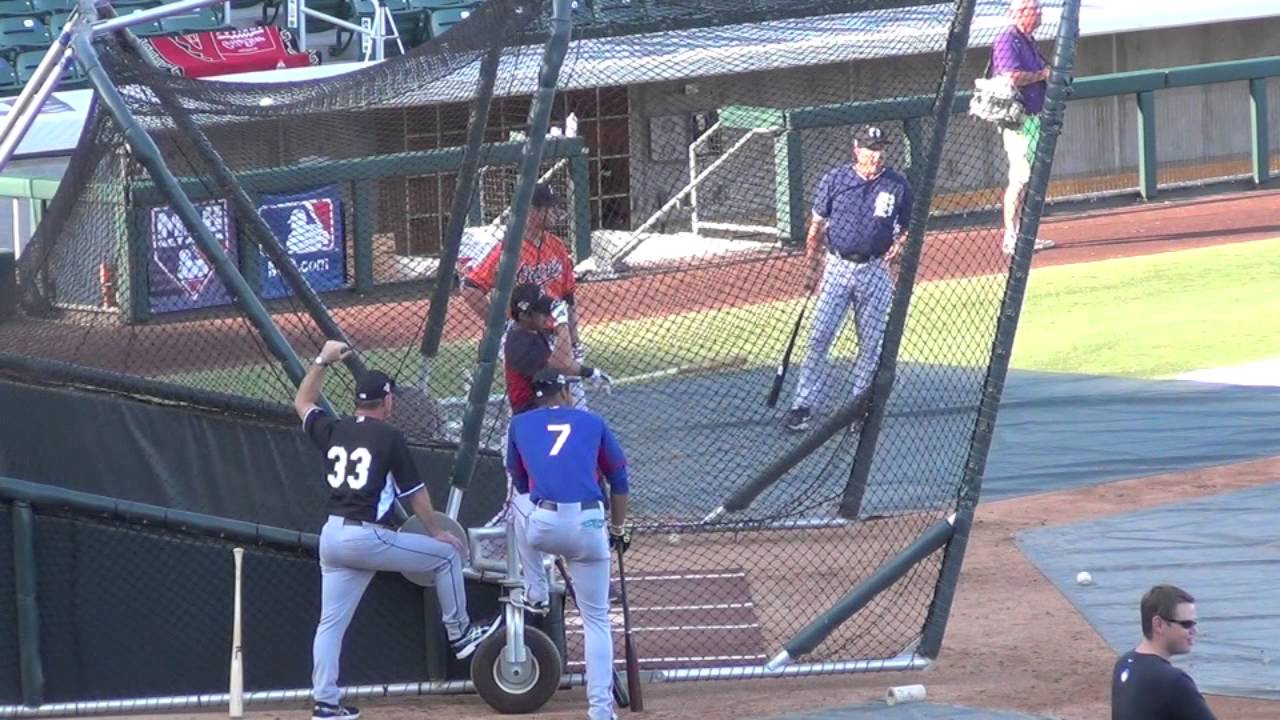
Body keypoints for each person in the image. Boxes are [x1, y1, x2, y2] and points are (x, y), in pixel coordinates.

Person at [296, 341, 501, 720]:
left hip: (332, 537)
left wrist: (321, 360)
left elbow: (303, 402)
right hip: (365, 537)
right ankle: (460, 634)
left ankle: (325, 703)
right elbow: (415, 492)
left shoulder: (334, 428)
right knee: (446, 555)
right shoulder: (388, 437)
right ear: (386, 401)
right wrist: (435, 530)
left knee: (330, 625)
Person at [506, 368, 631, 720]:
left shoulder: (519, 425)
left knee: (516, 507)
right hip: (591, 525)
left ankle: (537, 589)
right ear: (564, 393)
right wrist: (618, 529)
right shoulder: (592, 421)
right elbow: (620, 480)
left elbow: (520, 482)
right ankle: (601, 712)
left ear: (536, 395)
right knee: (596, 620)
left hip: (543, 524)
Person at [784, 124, 913, 433]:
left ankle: (860, 408)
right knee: (819, 338)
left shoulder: (898, 185)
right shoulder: (835, 180)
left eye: (881, 149)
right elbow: (816, 229)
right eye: (871, 149)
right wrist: (812, 270)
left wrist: (898, 247)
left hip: (876, 270)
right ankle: (803, 405)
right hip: (837, 267)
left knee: (872, 344)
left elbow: (908, 228)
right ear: (857, 149)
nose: (877, 155)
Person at [502, 283, 612, 614]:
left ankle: (582, 577)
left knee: (537, 505)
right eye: (542, 310)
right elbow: (561, 363)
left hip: (545, 425)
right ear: (524, 314)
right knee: (520, 507)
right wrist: (563, 323)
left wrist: (590, 371)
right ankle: (535, 585)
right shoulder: (519, 340)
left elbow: (561, 367)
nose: (548, 313)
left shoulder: (529, 332)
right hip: (530, 430)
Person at [460, 182, 589, 408]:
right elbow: (471, 288)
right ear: (532, 211)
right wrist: (503, 324)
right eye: (549, 207)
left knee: (572, 403)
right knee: (534, 400)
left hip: (556, 333)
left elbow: (568, 296)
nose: (556, 213)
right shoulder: (508, 250)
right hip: (525, 338)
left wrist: (573, 336)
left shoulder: (557, 246)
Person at [992, 0, 1055, 255]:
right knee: (1020, 177)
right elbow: (1010, 75)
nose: (1038, 13)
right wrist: (1042, 75)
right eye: (1034, 9)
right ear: (1019, 13)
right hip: (1018, 120)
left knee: (1030, 178)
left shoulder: (1028, 39)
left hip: (1034, 118)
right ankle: (1011, 236)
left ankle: (1024, 235)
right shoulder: (1008, 39)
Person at [1111, 584, 1216, 720]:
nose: (1194, 631)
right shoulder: (1174, 681)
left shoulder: (1124, 663)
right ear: (1159, 625)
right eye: (1186, 624)